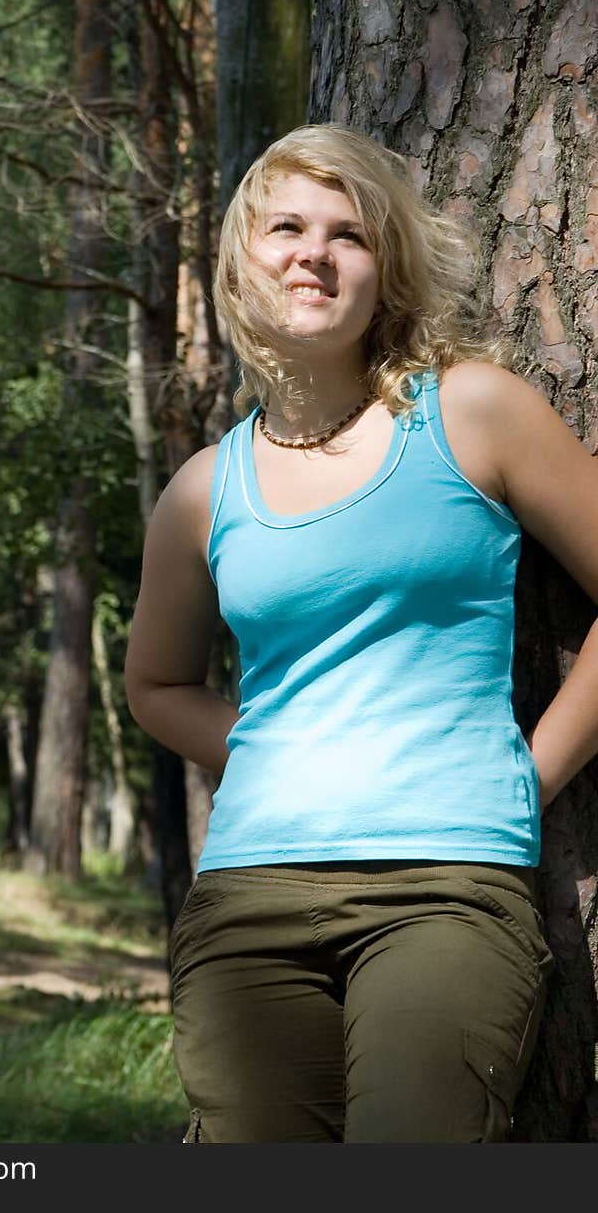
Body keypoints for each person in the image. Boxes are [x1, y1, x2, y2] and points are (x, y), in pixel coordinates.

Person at [123, 123, 598, 1144]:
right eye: (285, 226)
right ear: (242, 264)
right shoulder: (204, 490)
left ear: (384, 270)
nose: (313, 252)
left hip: (444, 887)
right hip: (249, 894)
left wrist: (527, 774)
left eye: (349, 234)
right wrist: (267, 748)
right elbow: (154, 684)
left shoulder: (472, 412)